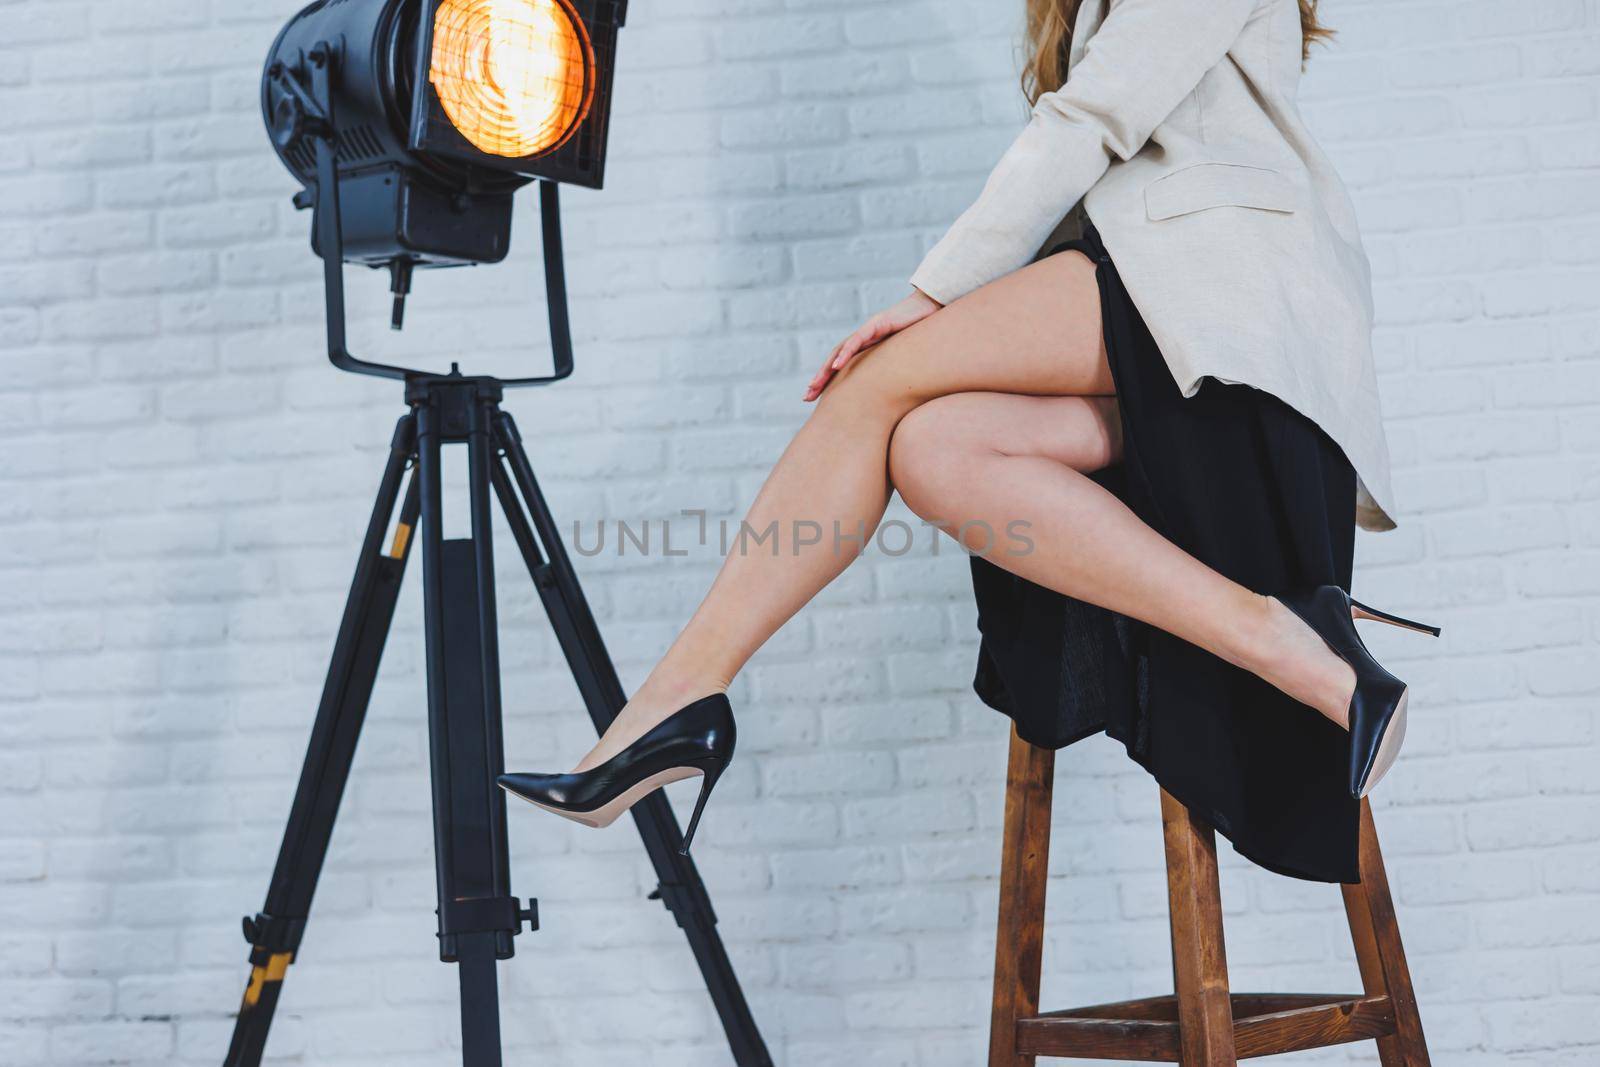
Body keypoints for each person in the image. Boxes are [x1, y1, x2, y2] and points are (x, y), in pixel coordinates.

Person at [500, 0, 1439, 881]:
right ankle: (1279, 633)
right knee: (934, 448)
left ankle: (678, 698)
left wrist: (936, 292)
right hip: (1167, 300)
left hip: (1229, 281)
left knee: (874, 383)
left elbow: (1095, 117)